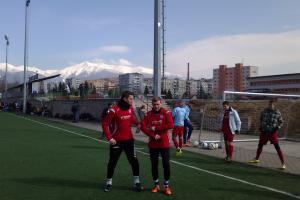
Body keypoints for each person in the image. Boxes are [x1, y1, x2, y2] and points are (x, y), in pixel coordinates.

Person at [102, 91, 143, 192]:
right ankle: (108, 182)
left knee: (134, 162)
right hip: (117, 142)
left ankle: (136, 182)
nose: (132, 101)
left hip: (129, 141)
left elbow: (131, 119)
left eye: (132, 99)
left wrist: (138, 123)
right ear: (124, 99)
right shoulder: (114, 110)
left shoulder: (129, 108)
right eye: (130, 99)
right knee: (112, 163)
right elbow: (105, 124)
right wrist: (110, 138)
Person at [141, 96, 174, 195]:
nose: (156, 106)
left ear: (161, 103)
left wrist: (156, 128)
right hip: (153, 144)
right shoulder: (148, 114)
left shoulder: (166, 113)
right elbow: (142, 126)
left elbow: (171, 125)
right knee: (154, 165)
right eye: (154, 104)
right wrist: (152, 135)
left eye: (158, 104)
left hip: (164, 144)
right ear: (152, 104)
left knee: (166, 165)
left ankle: (166, 186)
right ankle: (156, 185)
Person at [249, 99, 285, 170]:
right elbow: (261, 120)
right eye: (269, 104)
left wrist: (277, 128)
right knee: (260, 145)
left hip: (272, 132)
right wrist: (260, 127)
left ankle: (283, 163)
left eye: (271, 104)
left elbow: (281, 122)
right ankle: (256, 159)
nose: (270, 105)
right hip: (264, 132)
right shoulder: (264, 111)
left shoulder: (277, 112)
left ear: (274, 105)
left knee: (277, 147)